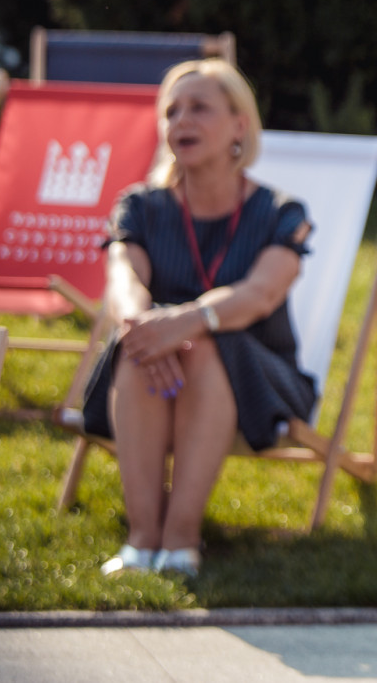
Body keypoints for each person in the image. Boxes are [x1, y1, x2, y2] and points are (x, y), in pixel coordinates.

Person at [82, 59, 316, 579]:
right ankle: (143, 539)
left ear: (239, 125)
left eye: (199, 108)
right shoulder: (140, 206)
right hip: (150, 367)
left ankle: (181, 538)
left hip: (262, 382)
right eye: (172, 111)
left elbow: (259, 294)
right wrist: (147, 329)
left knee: (202, 343)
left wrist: (183, 325)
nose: (181, 121)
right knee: (141, 346)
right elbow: (123, 279)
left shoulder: (281, 213)